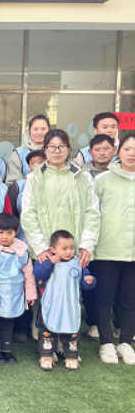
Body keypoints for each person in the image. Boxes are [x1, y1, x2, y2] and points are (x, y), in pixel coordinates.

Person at [21, 129, 100, 268]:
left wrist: (86, 245)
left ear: (68, 148)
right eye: (52, 147)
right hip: (45, 254)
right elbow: (28, 215)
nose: (57, 151)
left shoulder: (83, 177)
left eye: (61, 146)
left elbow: (92, 213)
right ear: (44, 150)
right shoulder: (34, 178)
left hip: (76, 253)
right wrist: (40, 248)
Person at [91, 133, 135, 365]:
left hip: (133, 252)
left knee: (130, 299)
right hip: (107, 249)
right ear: (118, 152)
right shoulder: (103, 180)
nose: (132, 153)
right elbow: (91, 214)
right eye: (127, 149)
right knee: (104, 299)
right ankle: (106, 343)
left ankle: (126, 342)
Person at [0, 213, 36, 365]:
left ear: (16, 232)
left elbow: (28, 274)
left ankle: (7, 350)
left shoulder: (22, 251)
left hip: (14, 293)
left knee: (9, 322)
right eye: (0, 232)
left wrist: (30, 294)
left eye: (9, 232)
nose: (4, 236)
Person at [34, 230, 96, 371]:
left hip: (71, 306)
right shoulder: (47, 261)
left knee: (72, 330)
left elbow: (86, 281)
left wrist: (89, 281)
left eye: (71, 248)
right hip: (51, 305)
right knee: (47, 329)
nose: (69, 252)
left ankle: (71, 355)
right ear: (52, 249)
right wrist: (49, 263)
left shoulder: (78, 263)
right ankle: (46, 355)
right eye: (64, 248)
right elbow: (39, 274)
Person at [6, 114, 50, 184]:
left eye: (43, 129)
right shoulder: (18, 154)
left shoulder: (56, 151)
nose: (39, 132)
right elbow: (13, 183)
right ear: (29, 131)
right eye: (35, 129)